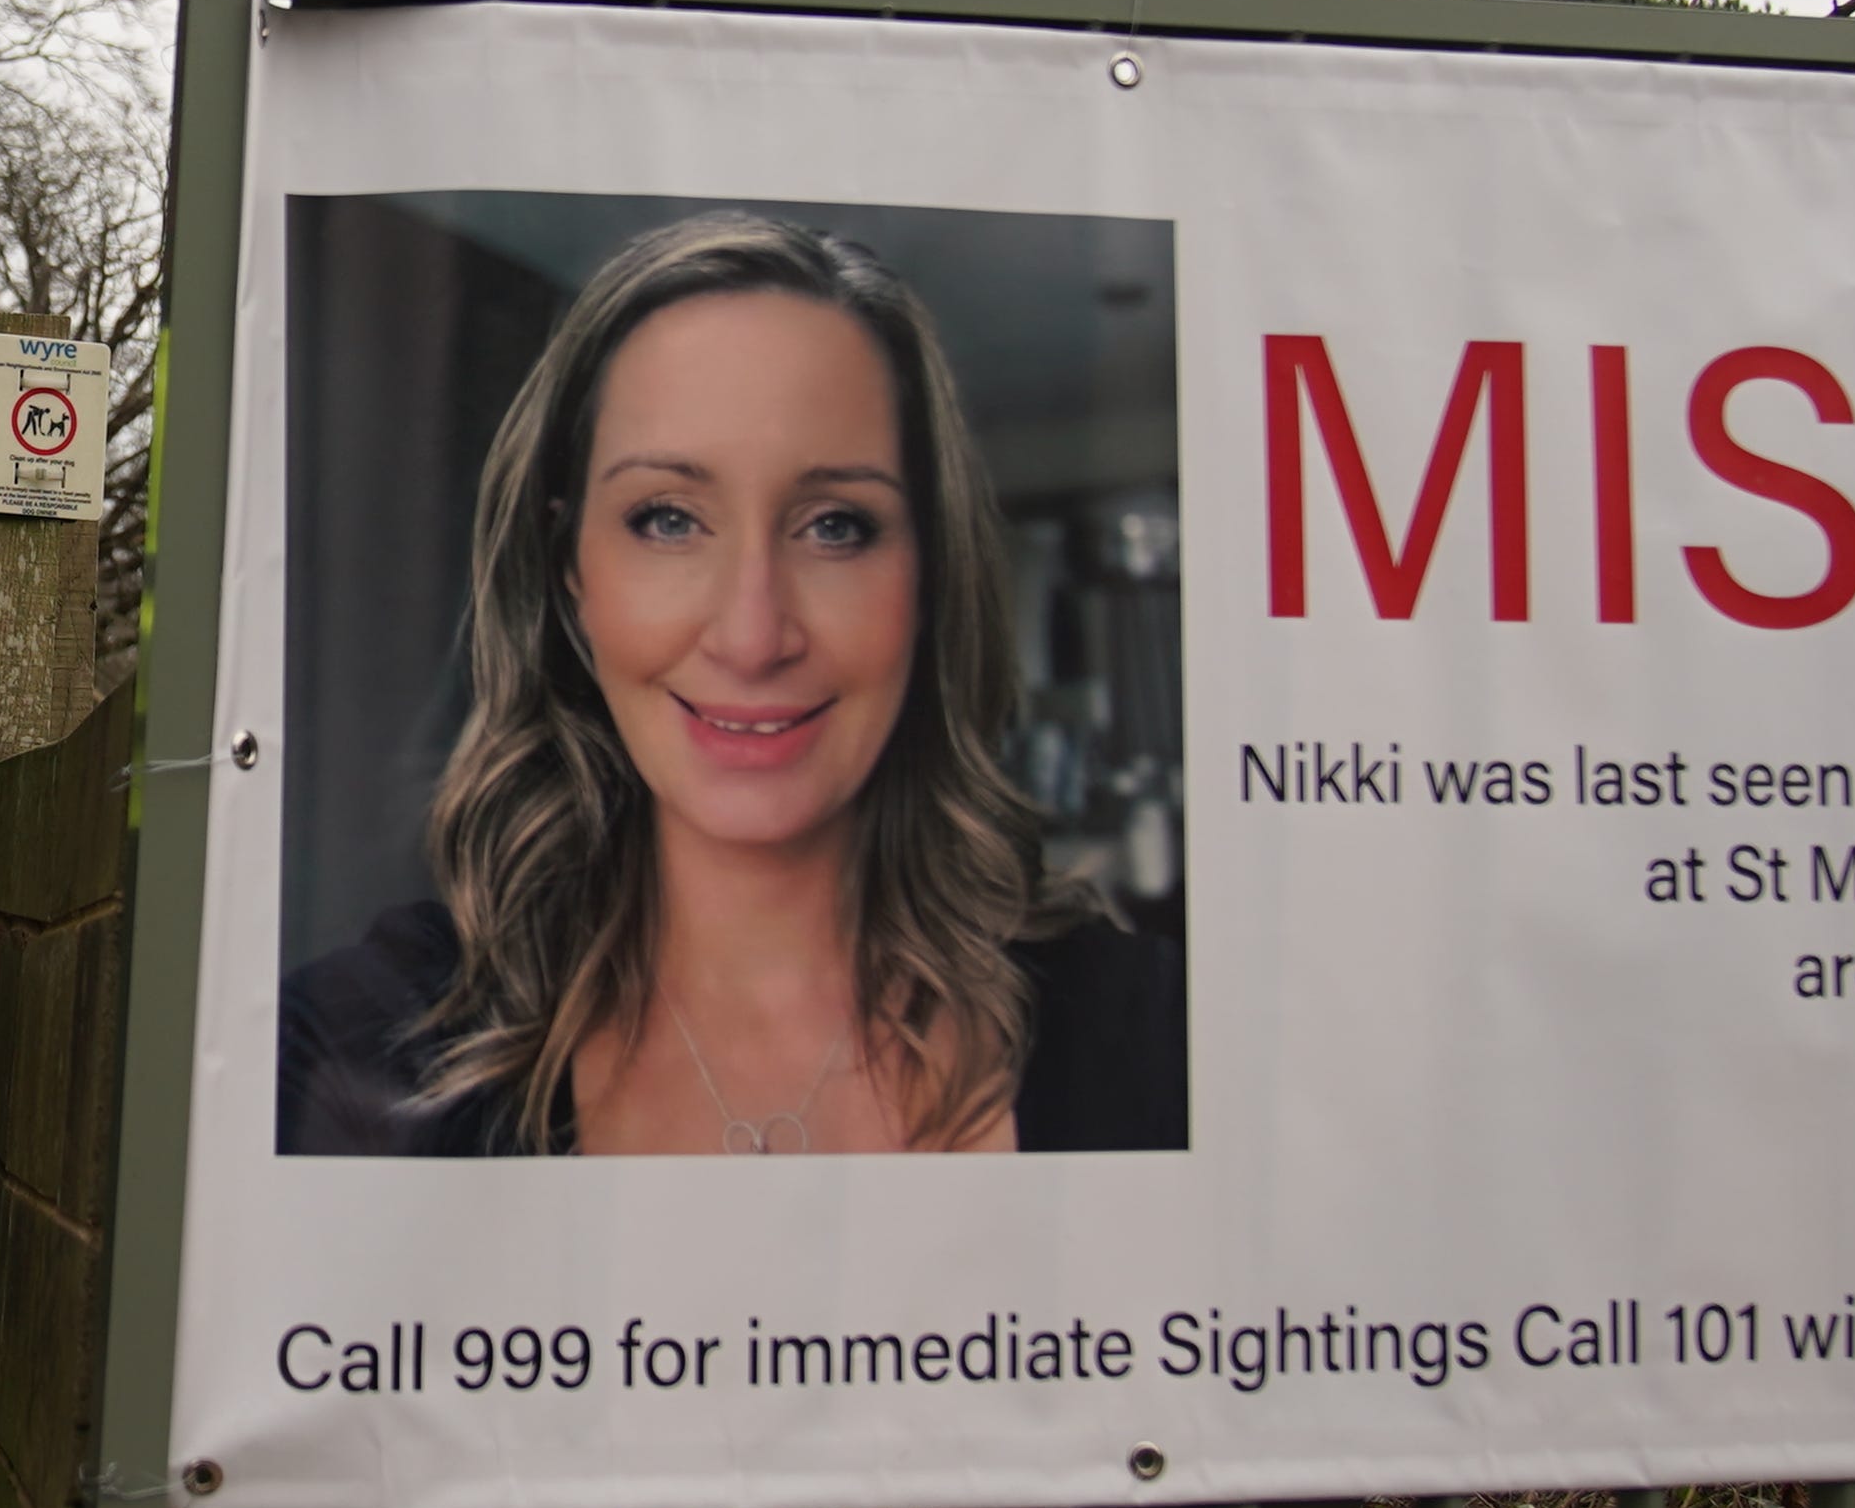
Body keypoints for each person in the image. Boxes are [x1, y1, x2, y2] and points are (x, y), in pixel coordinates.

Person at [277, 211, 1183, 1157]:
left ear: (930, 576)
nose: (754, 636)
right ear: (570, 570)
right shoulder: (347, 1059)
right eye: (668, 520)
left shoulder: (1151, 1035)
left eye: (836, 526)